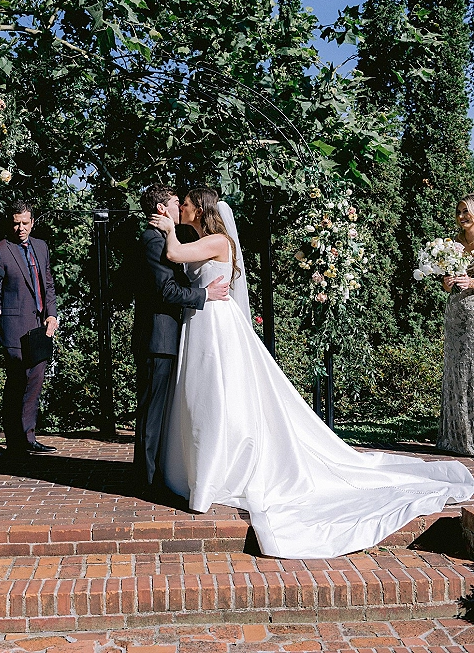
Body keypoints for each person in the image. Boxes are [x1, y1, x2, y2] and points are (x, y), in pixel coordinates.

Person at [150, 187, 474, 559]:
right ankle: (203, 463)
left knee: (219, 394)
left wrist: (167, 229)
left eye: (187, 204)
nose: (183, 208)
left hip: (215, 324)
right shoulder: (204, 239)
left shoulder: (218, 241)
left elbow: (175, 253)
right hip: (201, 321)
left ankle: (218, 466)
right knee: (205, 395)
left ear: (201, 209)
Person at [132, 183, 230, 492]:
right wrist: (204, 293)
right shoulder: (152, 240)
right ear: (162, 209)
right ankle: (145, 480)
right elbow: (165, 290)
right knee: (152, 411)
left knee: (163, 410)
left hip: (175, 336)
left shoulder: (172, 239)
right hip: (158, 338)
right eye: (176, 202)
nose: (179, 207)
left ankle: (158, 471)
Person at [0, 201, 58, 455]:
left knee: (36, 379)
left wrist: (52, 315)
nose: (20, 228)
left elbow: (48, 284)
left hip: (39, 327)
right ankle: (14, 440)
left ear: (32, 222)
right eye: (16, 223)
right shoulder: (0, 250)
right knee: (18, 380)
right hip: (14, 325)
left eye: (25, 223)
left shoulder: (41, 247)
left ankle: (28, 436)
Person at [438, 195, 474, 456]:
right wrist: (448, 281)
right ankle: (457, 438)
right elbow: (443, 279)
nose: (462, 216)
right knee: (457, 370)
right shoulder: (453, 245)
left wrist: (471, 283)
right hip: (455, 313)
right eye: (459, 212)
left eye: (467, 211)